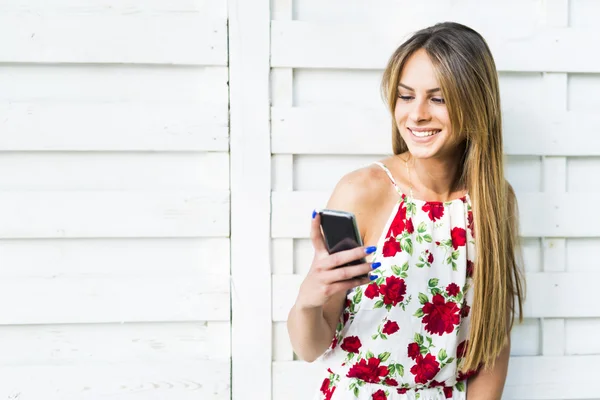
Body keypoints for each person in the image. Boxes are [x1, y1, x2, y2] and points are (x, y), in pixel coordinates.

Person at [286, 21, 525, 400]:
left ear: (475, 102)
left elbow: (493, 342)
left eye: (439, 98)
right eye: (406, 96)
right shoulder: (363, 190)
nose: (416, 115)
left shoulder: (494, 201)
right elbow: (310, 347)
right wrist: (309, 298)